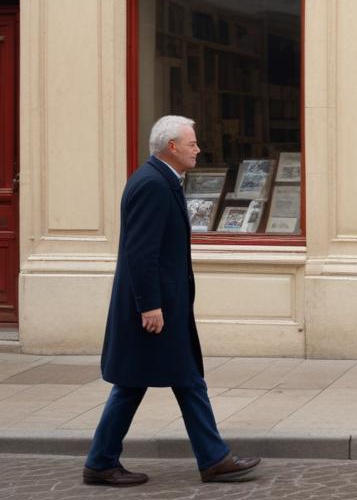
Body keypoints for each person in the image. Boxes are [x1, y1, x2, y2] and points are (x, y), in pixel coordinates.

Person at [83, 115, 261, 486]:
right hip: (153, 309)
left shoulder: (162, 180)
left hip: (165, 305)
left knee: (178, 380)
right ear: (172, 147)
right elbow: (141, 253)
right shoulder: (152, 184)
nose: (198, 149)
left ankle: (210, 458)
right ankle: (104, 463)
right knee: (148, 382)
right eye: (192, 144)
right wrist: (150, 305)